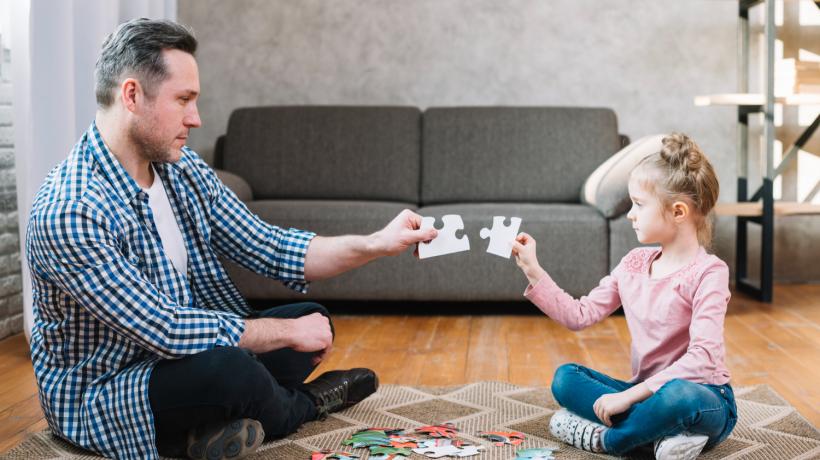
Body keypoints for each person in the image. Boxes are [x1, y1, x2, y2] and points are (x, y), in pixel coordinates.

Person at [25, 18, 437, 460]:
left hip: (183, 357)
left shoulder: (180, 169)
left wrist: (378, 243)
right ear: (132, 96)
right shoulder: (70, 210)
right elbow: (165, 329)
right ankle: (303, 405)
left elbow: (271, 247)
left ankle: (204, 431)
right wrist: (281, 332)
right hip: (110, 389)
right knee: (233, 368)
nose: (196, 118)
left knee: (311, 320)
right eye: (183, 100)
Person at [511, 133, 737, 460]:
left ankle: (609, 440)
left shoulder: (709, 272)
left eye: (639, 204)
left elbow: (702, 359)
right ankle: (659, 439)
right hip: (645, 395)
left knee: (678, 396)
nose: (630, 214)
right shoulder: (633, 263)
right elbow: (580, 315)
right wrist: (533, 270)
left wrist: (628, 398)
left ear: (678, 212)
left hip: (704, 397)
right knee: (566, 379)